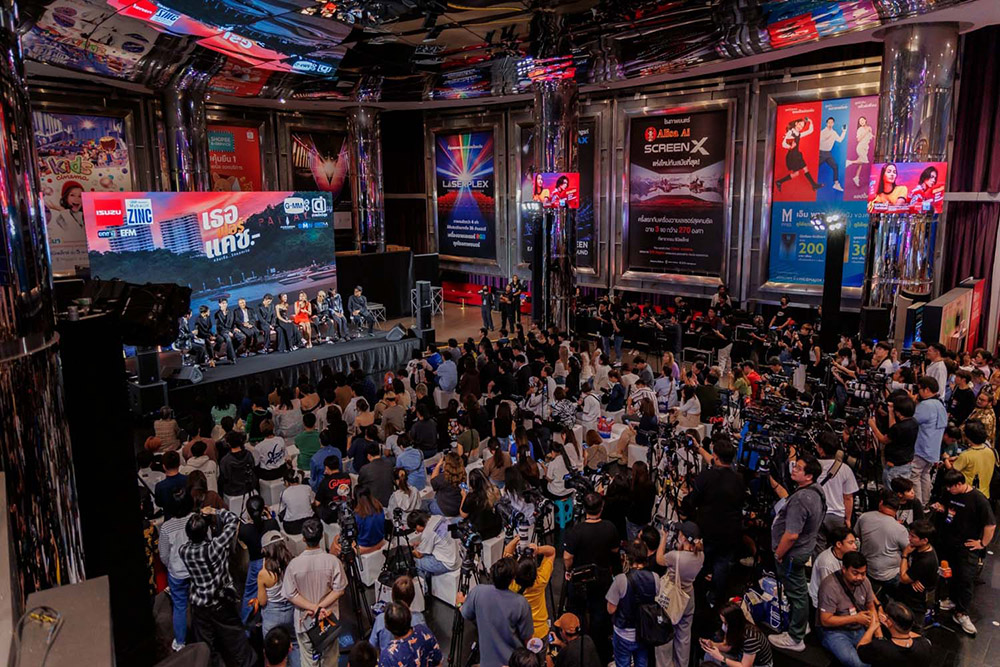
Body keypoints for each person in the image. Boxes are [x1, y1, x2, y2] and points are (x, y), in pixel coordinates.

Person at [178, 507, 256, 667]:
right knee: (236, 641)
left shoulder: (184, 551)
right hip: (220, 603)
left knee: (207, 647)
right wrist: (215, 511)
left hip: (199, 606)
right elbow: (233, 521)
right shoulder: (214, 548)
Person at [768, 455, 825, 652]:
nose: (793, 469)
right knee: (798, 590)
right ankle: (800, 624)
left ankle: (795, 637)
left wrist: (778, 554)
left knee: (797, 593)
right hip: (803, 549)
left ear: (809, 476)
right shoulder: (816, 491)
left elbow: (791, 535)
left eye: (799, 468)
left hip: (791, 553)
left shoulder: (801, 499)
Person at [930, 468, 996, 635]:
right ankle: (952, 599)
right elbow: (946, 506)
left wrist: (982, 543)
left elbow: (990, 525)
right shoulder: (949, 493)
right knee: (950, 574)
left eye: (951, 487)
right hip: (948, 542)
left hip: (967, 547)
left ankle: (962, 613)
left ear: (960, 484)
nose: (948, 490)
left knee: (965, 579)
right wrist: (940, 508)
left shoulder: (979, 500)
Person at [682, 438, 745, 607]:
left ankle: (697, 597)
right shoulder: (739, 478)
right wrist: (699, 448)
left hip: (708, 531)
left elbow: (693, 501)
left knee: (701, 562)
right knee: (722, 565)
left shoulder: (706, 477)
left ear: (716, 457)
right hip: (731, 532)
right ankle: (715, 599)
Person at [562, 492, 620, 663]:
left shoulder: (576, 531)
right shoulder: (610, 527)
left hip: (580, 579)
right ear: (601, 507)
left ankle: (577, 646)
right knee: (599, 614)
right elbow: (615, 551)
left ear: (584, 508)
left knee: (577, 611)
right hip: (602, 578)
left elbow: (567, 557)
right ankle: (598, 649)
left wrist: (569, 570)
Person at [282, 517, 348, 667]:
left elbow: (291, 594)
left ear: (303, 538)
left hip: (304, 622)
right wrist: (319, 608)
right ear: (321, 536)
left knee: (308, 661)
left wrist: (313, 608)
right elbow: (339, 590)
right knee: (330, 661)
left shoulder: (293, 565)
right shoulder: (333, 561)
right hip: (328, 619)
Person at [458, 557, 533, 667]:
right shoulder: (521, 603)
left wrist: (460, 603)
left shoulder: (478, 592)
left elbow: (465, 613)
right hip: (513, 662)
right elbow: (527, 640)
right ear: (512, 579)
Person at [654, 521, 704, 667]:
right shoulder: (701, 555)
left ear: (683, 538)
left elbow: (659, 559)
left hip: (672, 598)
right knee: (684, 636)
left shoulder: (675, 557)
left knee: (665, 632)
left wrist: (664, 537)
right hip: (688, 597)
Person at [816, 551, 877, 667]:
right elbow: (825, 620)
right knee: (858, 664)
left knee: (875, 658)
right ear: (844, 569)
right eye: (855, 573)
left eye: (863, 573)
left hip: (858, 627)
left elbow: (871, 606)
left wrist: (877, 632)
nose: (860, 578)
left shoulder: (865, 582)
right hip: (834, 631)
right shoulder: (829, 586)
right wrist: (855, 618)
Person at [606, 541, 660, 667]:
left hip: (623, 633)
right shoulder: (655, 577)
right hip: (644, 632)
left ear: (628, 559)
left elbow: (610, 609)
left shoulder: (621, 580)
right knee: (642, 662)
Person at [252, 532, 301, 667]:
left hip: (272, 615)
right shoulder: (291, 565)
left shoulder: (264, 574)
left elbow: (262, 601)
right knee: (295, 643)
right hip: (291, 611)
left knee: (273, 650)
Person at [854, 490, 908, 595]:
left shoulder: (864, 517)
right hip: (891, 575)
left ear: (881, 503)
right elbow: (908, 550)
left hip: (868, 570)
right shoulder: (900, 529)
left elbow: (858, 536)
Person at [159, 488, 194, 651]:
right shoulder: (196, 519)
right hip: (196, 570)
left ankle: (180, 642)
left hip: (177, 573)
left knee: (179, 607)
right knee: (198, 604)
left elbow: (163, 555)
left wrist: (171, 566)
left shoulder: (166, 527)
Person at [506, 537, 557, 639]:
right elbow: (552, 552)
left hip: (519, 630)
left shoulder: (510, 581)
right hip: (539, 631)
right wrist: (537, 550)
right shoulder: (541, 579)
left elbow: (507, 552)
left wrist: (517, 538)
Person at [699, 601, 774, 667]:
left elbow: (745, 666)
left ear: (733, 623)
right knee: (709, 655)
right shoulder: (734, 630)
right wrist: (712, 644)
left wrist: (721, 657)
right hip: (741, 656)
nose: (723, 626)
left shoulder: (751, 637)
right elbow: (727, 646)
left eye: (725, 623)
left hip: (757, 664)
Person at [856, 600, 932, 665]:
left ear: (890, 622)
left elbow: (860, 649)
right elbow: (916, 636)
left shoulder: (880, 648)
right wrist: (889, 623)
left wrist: (872, 628)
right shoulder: (925, 644)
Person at [911, 375, 947, 505]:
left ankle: (918, 505)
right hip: (933, 449)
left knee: (914, 475)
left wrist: (913, 403)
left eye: (919, 389)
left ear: (926, 390)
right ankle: (925, 503)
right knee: (925, 475)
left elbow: (912, 420)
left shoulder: (926, 405)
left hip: (922, 448)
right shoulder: (941, 404)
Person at [896, 519, 939, 627]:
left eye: (913, 536)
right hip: (907, 596)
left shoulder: (926, 560)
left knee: (913, 627)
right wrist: (912, 579)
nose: (909, 538)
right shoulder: (916, 548)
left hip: (917, 603)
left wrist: (905, 555)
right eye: (909, 535)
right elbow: (909, 572)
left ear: (924, 540)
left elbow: (903, 578)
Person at [869, 394, 917, 488]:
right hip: (906, 464)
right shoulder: (913, 422)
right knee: (902, 490)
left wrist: (873, 426)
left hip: (894, 468)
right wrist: (891, 411)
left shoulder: (900, 428)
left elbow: (884, 440)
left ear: (899, 412)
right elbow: (893, 429)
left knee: (893, 493)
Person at [369, 575, 427, 651]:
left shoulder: (380, 619)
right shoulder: (419, 618)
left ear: (392, 595)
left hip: (387, 657)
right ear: (412, 596)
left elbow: (371, 646)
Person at [378, 602, 442, 667]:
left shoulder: (388, 656)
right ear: (410, 617)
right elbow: (438, 663)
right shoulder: (424, 632)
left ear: (387, 626)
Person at [808, 524, 857, 607]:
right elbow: (828, 590)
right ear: (839, 544)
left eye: (854, 542)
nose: (855, 547)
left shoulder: (848, 555)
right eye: (850, 543)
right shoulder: (827, 563)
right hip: (823, 602)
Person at [945, 418, 995, 498]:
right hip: (985, 495)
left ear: (968, 437)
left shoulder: (966, 455)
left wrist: (945, 459)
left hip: (968, 495)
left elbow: (952, 472)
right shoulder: (991, 452)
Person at [407, 510, 460, 582]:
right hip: (456, 556)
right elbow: (438, 537)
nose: (416, 531)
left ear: (418, 525)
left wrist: (410, 551)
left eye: (415, 529)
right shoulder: (439, 518)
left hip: (447, 564)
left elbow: (419, 554)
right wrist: (422, 543)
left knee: (416, 562)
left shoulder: (427, 533)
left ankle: (426, 586)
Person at [774, 117, 822, 192]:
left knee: (805, 169)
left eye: (802, 126)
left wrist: (810, 121)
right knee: (796, 174)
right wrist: (790, 146)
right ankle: (779, 182)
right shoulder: (790, 132)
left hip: (797, 155)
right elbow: (783, 144)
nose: (800, 127)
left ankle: (814, 185)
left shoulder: (799, 134)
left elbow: (810, 131)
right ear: (796, 123)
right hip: (792, 156)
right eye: (799, 125)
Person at [460, 468, 503, 539]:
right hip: (497, 527)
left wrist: (464, 496)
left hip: (481, 532)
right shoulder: (494, 490)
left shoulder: (471, 497)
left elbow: (463, 515)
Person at [357, 442, 395, 506]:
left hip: (373, 503)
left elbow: (360, 484)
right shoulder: (389, 464)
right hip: (389, 501)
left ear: (368, 456)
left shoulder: (365, 469)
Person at [155, 452, 188, 519]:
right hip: (187, 517)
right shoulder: (188, 480)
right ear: (179, 464)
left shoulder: (160, 486)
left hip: (169, 519)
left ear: (164, 466)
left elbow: (159, 503)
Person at [818, 116, 847, 192]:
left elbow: (840, 140)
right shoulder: (823, 132)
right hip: (821, 153)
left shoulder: (834, 133)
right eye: (829, 122)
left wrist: (844, 132)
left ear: (833, 124)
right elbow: (820, 140)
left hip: (828, 153)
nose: (830, 124)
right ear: (826, 123)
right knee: (815, 167)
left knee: (835, 166)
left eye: (831, 122)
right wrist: (828, 136)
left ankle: (836, 184)